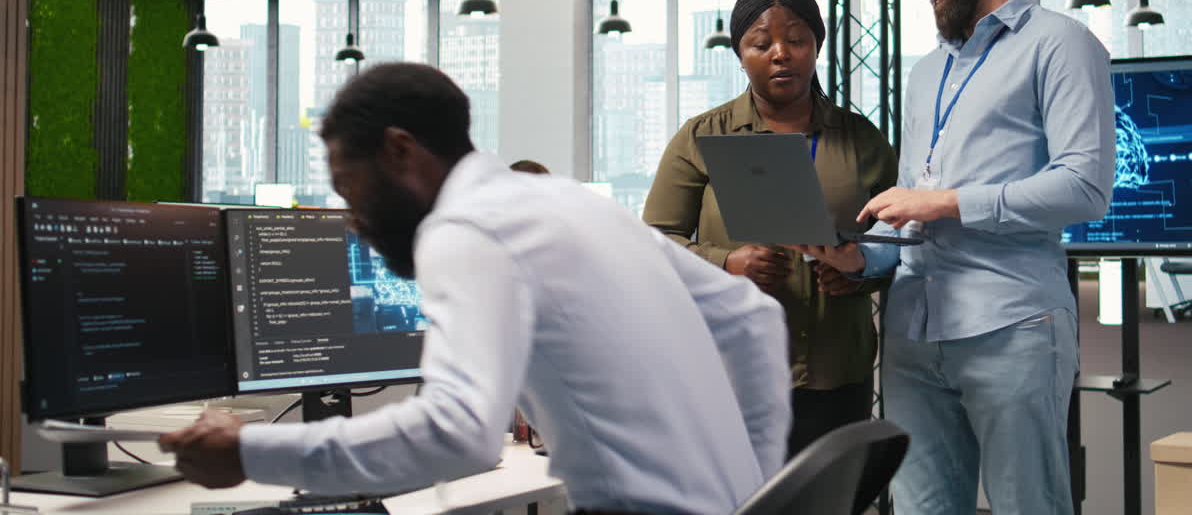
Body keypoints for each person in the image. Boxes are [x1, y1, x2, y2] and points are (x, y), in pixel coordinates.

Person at [160, 63, 792, 514]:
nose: (351, 216)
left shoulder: (463, 229)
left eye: (349, 186)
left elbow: (458, 435)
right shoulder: (564, 199)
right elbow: (752, 317)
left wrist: (249, 452)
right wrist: (764, 490)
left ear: (399, 150)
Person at [817, 0, 1115, 514]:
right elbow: (914, 212)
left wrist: (946, 202)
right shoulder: (927, 71)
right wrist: (857, 258)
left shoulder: (1061, 44)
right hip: (913, 336)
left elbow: (1085, 186)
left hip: (1011, 326)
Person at [644, 0, 897, 458]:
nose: (781, 54)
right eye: (761, 44)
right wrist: (726, 262)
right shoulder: (701, 136)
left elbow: (897, 241)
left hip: (835, 372)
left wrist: (857, 273)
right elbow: (654, 242)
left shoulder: (861, 138)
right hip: (732, 372)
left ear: (817, 45)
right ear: (740, 54)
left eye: (797, 40)